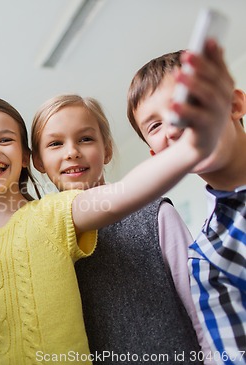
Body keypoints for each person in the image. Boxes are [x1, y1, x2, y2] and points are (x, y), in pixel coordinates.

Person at [0, 88, 227, 364]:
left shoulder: (57, 214)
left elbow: (123, 195)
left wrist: (187, 147)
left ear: (26, 158)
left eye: (4, 140)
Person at [31, 94, 213, 364]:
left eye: (85, 139)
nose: (72, 152)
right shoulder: (41, 241)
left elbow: (204, 313)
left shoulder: (157, 215)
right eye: (56, 143)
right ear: (38, 161)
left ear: (107, 150)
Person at [127, 42, 245, 364]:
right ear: (159, 158)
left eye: (187, 102)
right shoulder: (207, 258)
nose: (175, 126)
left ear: (234, 105)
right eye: (155, 125)